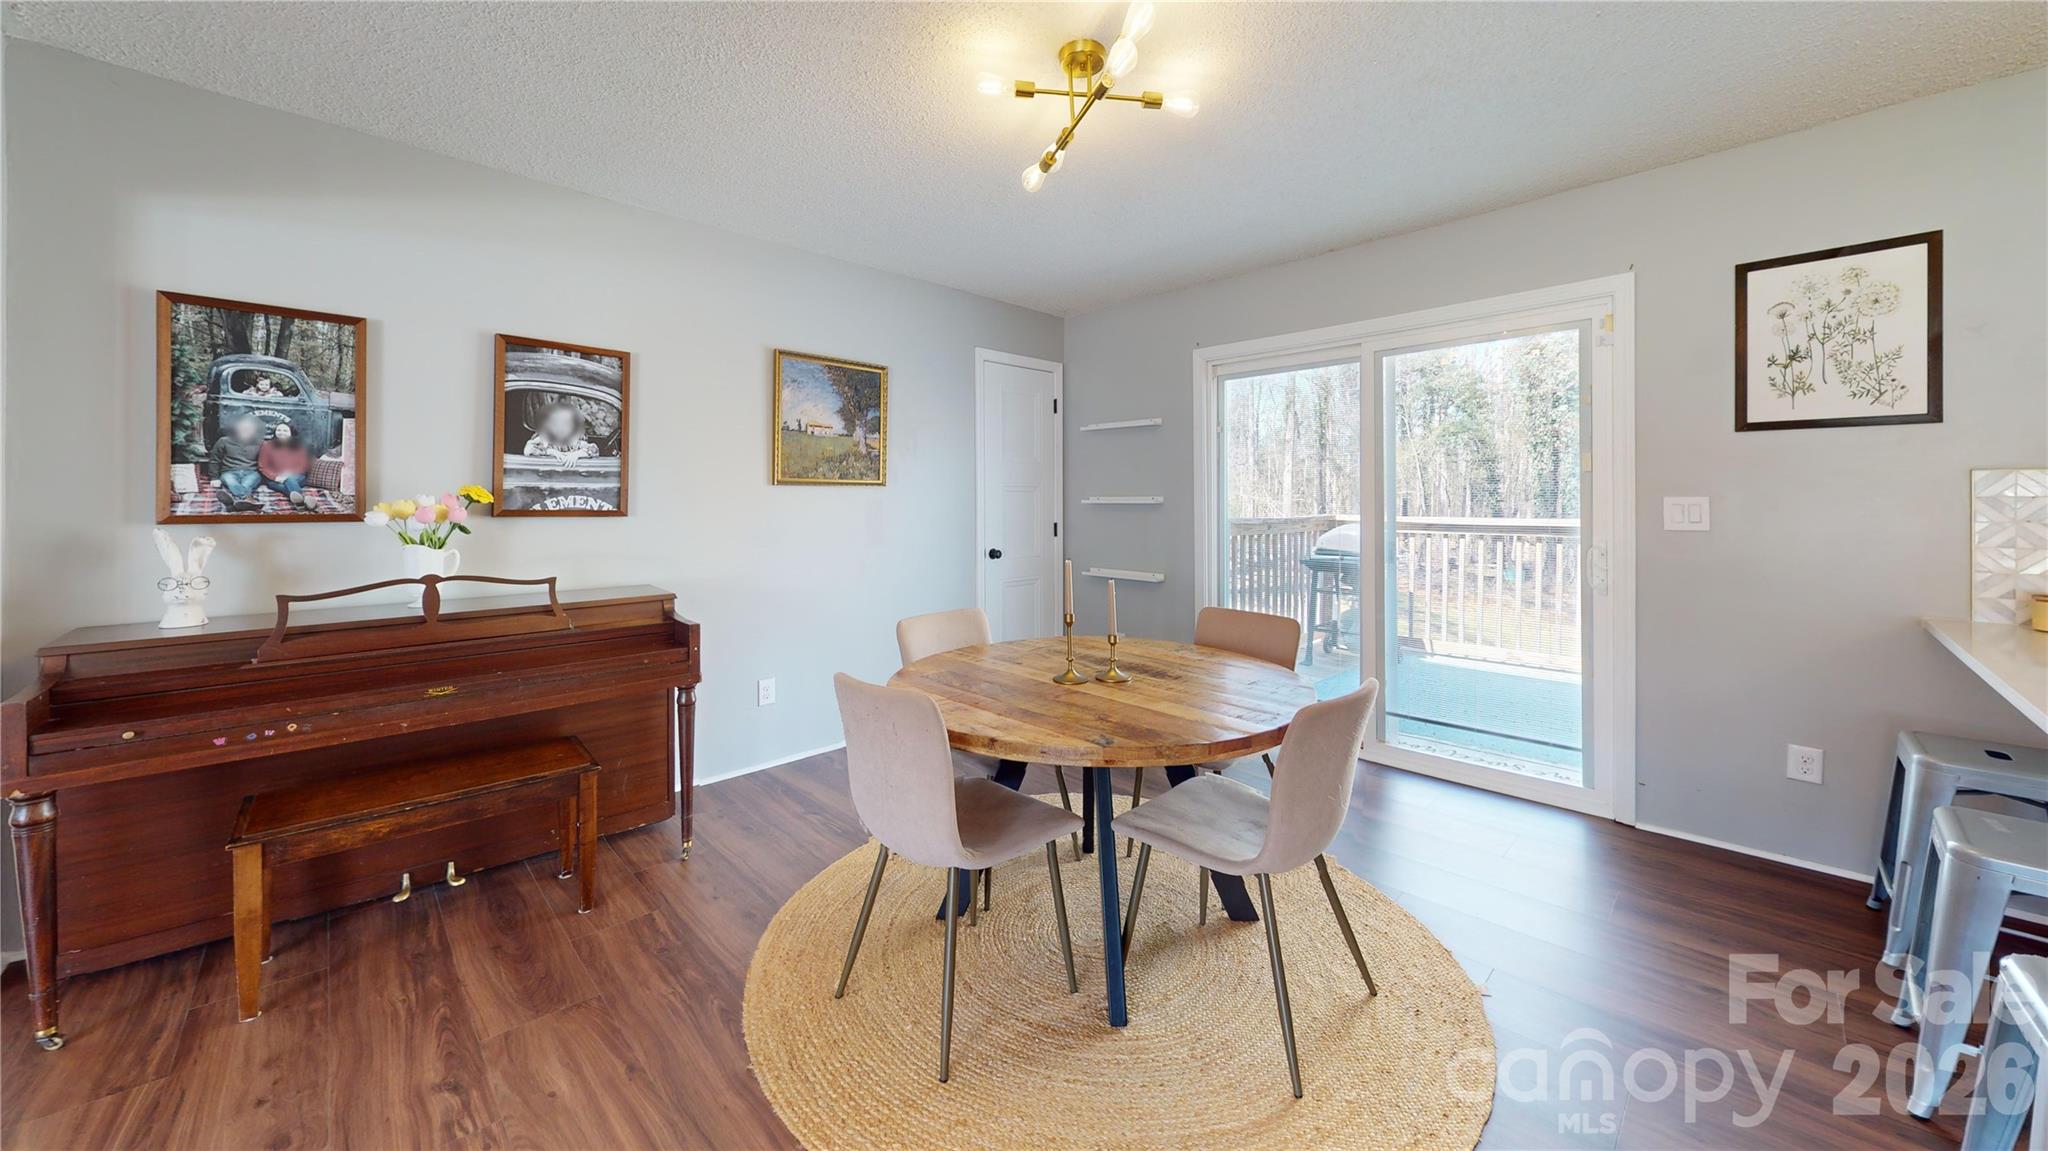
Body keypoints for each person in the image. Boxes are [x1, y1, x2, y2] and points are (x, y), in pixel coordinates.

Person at [208, 415, 265, 512]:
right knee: (231, 482)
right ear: (237, 428)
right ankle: (249, 501)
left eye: (249, 428)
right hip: (229, 471)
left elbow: (267, 460)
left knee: (247, 484)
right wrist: (214, 477)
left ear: (254, 430)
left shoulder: (260, 443)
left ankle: (233, 503)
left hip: (252, 472)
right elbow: (215, 459)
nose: (245, 430)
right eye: (243, 428)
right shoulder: (224, 441)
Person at [257, 421, 313, 508]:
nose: (281, 433)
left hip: (297, 477)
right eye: (279, 430)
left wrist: (288, 474)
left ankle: (300, 503)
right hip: (275, 479)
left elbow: (303, 464)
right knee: (285, 484)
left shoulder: (299, 445)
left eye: (285, 431)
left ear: (291, 432)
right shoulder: (267, 445)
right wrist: (275, 477)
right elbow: (263, 466)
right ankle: (304, 501)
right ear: (275, 432)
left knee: (289, 479)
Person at [522, 400, 598, 462]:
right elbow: (528, 449)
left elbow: (594, 449)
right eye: (556, 423)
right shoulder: (545, 440)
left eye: (567, 424)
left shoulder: (573, 442)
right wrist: (551, 452)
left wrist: (577, 454)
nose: (561, 428)